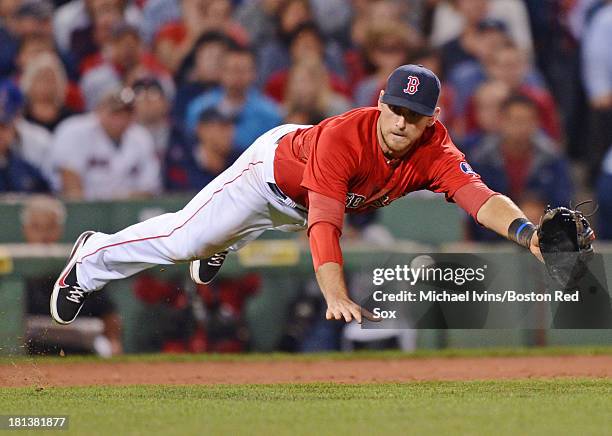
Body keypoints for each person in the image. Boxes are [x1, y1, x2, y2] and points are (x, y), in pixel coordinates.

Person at [50, 64, 544, 326]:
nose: (401, 121)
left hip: (302, 205)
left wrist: (526, 233)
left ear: (431, 120)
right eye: (395, 108)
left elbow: (479, 197)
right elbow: (325, 224)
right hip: (268, 177)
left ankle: (221, 243)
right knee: (183, 241)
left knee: (213, 241)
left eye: (414, 114)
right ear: (379, 103)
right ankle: (91, 256)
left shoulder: (434, 150)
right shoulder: (344, 138)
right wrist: (334, 293)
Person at [22, 195, 123, 356]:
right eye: (36, 227)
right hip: (31, 346)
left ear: (60, 229)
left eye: (50, 227)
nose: (43, 235)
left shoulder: (80, 262)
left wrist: (113, 341)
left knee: (105, 347)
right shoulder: (14, 266)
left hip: (81, 344)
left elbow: (109, 315)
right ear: (25, 229)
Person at [51, 86, 161, 200]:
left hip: (128, 210)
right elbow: (70, 185)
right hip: (86, 210)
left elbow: (149, 188)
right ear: (99, 110)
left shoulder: (141, 137)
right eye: (115, 113)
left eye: (127, 113)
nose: (121, 119)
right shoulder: (74, 131)